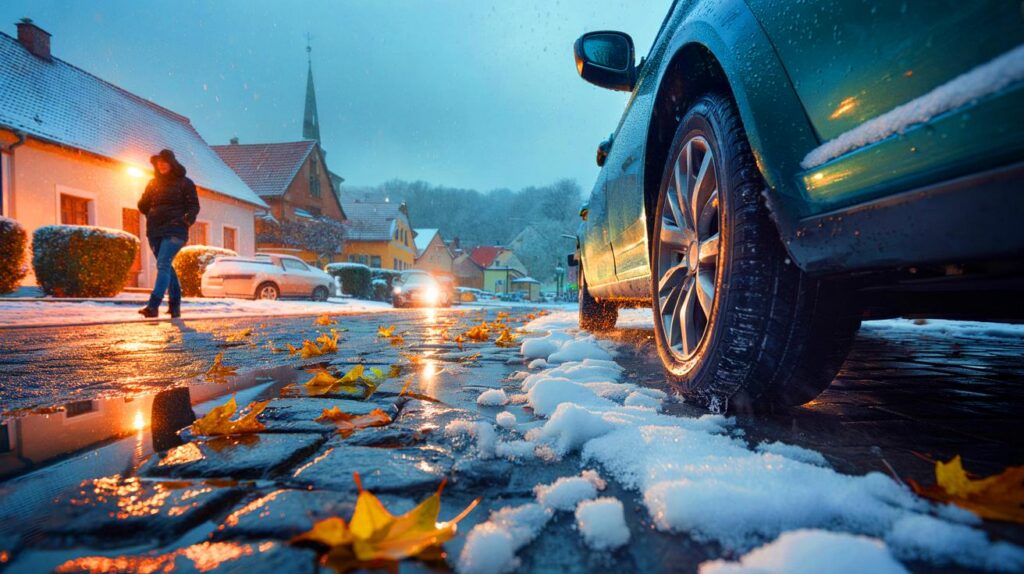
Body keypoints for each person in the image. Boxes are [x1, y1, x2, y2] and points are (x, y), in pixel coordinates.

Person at [137, 149, 200, 319]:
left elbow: (194, 206)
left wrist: (185, 221)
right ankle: (175, 306)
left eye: (165, 162)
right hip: (155, 231)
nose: (161, 165)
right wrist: (149, 210)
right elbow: (143, 205)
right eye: (159, 163)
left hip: (175, 230)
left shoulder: (185, 183)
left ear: (172, 163)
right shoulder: (153, 183)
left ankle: (153, 305)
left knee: (163, 264)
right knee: (167, 267)